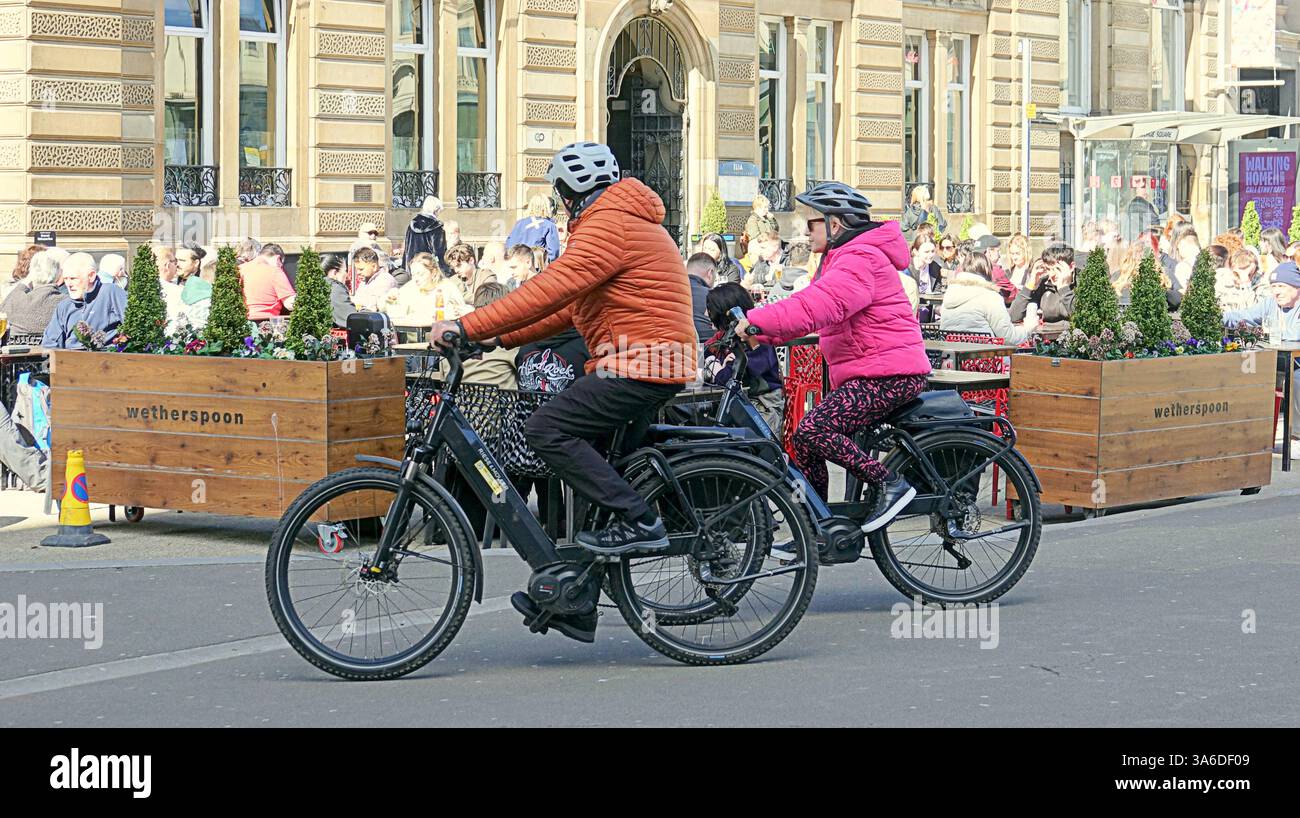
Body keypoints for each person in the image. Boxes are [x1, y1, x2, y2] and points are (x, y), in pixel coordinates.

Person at [433, 140, 696, 609]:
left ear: (568, 191)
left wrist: (467, 324)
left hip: (640, 361)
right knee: (594, 482)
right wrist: (498, 339)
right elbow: (573, 310)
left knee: (545, 429)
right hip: (649, 359)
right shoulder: (624, 219)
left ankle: (640, 520)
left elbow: (550, 289)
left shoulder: (609, 225)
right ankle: (576, 600)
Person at [737, 182, 933, 532]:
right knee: (805, 441)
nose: (805, 230)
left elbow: (817, 307)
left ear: (835, 224)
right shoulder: (839, 258)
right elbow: (805, 308)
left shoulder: (860, 258)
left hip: (889, 373)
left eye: (812, 222)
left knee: (815, 430)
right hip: (872, 371)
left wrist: (754, 322)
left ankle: (889, 482)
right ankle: (816, 527)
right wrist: (761, 330)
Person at [704, 283, 785, 438]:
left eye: (710, 309)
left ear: (724, 311)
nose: (706, 314)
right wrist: (717, 364)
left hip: (761, 409)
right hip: (740, 404)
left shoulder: (756, 338)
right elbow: (706, 352)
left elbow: (727, 379)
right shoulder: (725, 335)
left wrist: (714, 366)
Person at [1224, 262, 1300, 424]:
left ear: (1296, 286)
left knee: (1298, 379)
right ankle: (1247, 420)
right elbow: (1244, 316)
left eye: (1281, 286)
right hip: (1274, 358)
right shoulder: (1270, 303)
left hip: (1297, 361)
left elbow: (1295, 334)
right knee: (1245, 365)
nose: (1277, 292)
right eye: (1274, 286)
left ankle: (1294, 433)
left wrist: (1268, 332)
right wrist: (1218, 317)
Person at [945, 250, 1039, 344]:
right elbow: (1009, 338)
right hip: (981, 355)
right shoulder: (990, 296)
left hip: (950, 355)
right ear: (987, 270)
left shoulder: (950, 293)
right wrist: (1028, 328)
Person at [42, 252, 126, 349]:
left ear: (91, 276)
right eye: (66, 279)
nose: (68, 284)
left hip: (107, 359)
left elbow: (135, 326)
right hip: (70, 360)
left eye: (73, 278)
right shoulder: (64, 306)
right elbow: (50, 343)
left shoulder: (110, 292)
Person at [0, 249, 65, 344]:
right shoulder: (64, 303)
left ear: (31, 274)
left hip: (15, 357)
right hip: (51, 357)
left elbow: (2, 311)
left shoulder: (16, 299)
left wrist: (26, 282)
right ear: (58, 275)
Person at [385, 252, 469, 324]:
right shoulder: (410, 287)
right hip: (413, 339)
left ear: (433, 272)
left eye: (420, 274)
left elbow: (462, 312)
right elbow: (391, 310)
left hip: (443, 336)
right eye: (413, 275)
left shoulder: (448, 287)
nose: (416, 279)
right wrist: (390, 298)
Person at [1008, 244, 1073, 337]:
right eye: (1048, 269)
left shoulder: (1082, 282)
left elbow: (1083, 317)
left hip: (1074, 340)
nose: (1052, 275)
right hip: (1047, 341)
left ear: (1071, 267)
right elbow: (1013, 316)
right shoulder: (1045, 283)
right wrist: (1030, 286)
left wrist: (1064, 289)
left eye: (1057, 269)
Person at [241, 243, 296, 320]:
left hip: (242, 324)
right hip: (267, 324)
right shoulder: (275, 271)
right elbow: (290, 304)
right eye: (281, 264)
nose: (281, 267)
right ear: (278, 259)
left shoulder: (240, 269)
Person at [505, 194, 561, 262]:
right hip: (537, 266)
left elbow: (509, 245)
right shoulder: (549, 225)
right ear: (546, 207)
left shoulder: (520, 223)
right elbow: (553, 252)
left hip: (518, 264)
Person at [402, 197, 449, 273]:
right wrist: (445, 271)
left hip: (412, 268)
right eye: (439, 211)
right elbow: (439, 253)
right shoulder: (436, 227)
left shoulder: (412, 225)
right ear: (435, 210)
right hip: (428, 270)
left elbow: (406, 250)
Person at [175, 242, 211, 331]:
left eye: (182, 260)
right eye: (176, 260)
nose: (177, 264)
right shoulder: (171, 283)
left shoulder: (205, 285)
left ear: (196, 263)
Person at [685, 252, 715, 340]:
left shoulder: (671, 292)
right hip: (709, 347)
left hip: (676, 346)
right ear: (710, 273)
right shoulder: (712, 295)